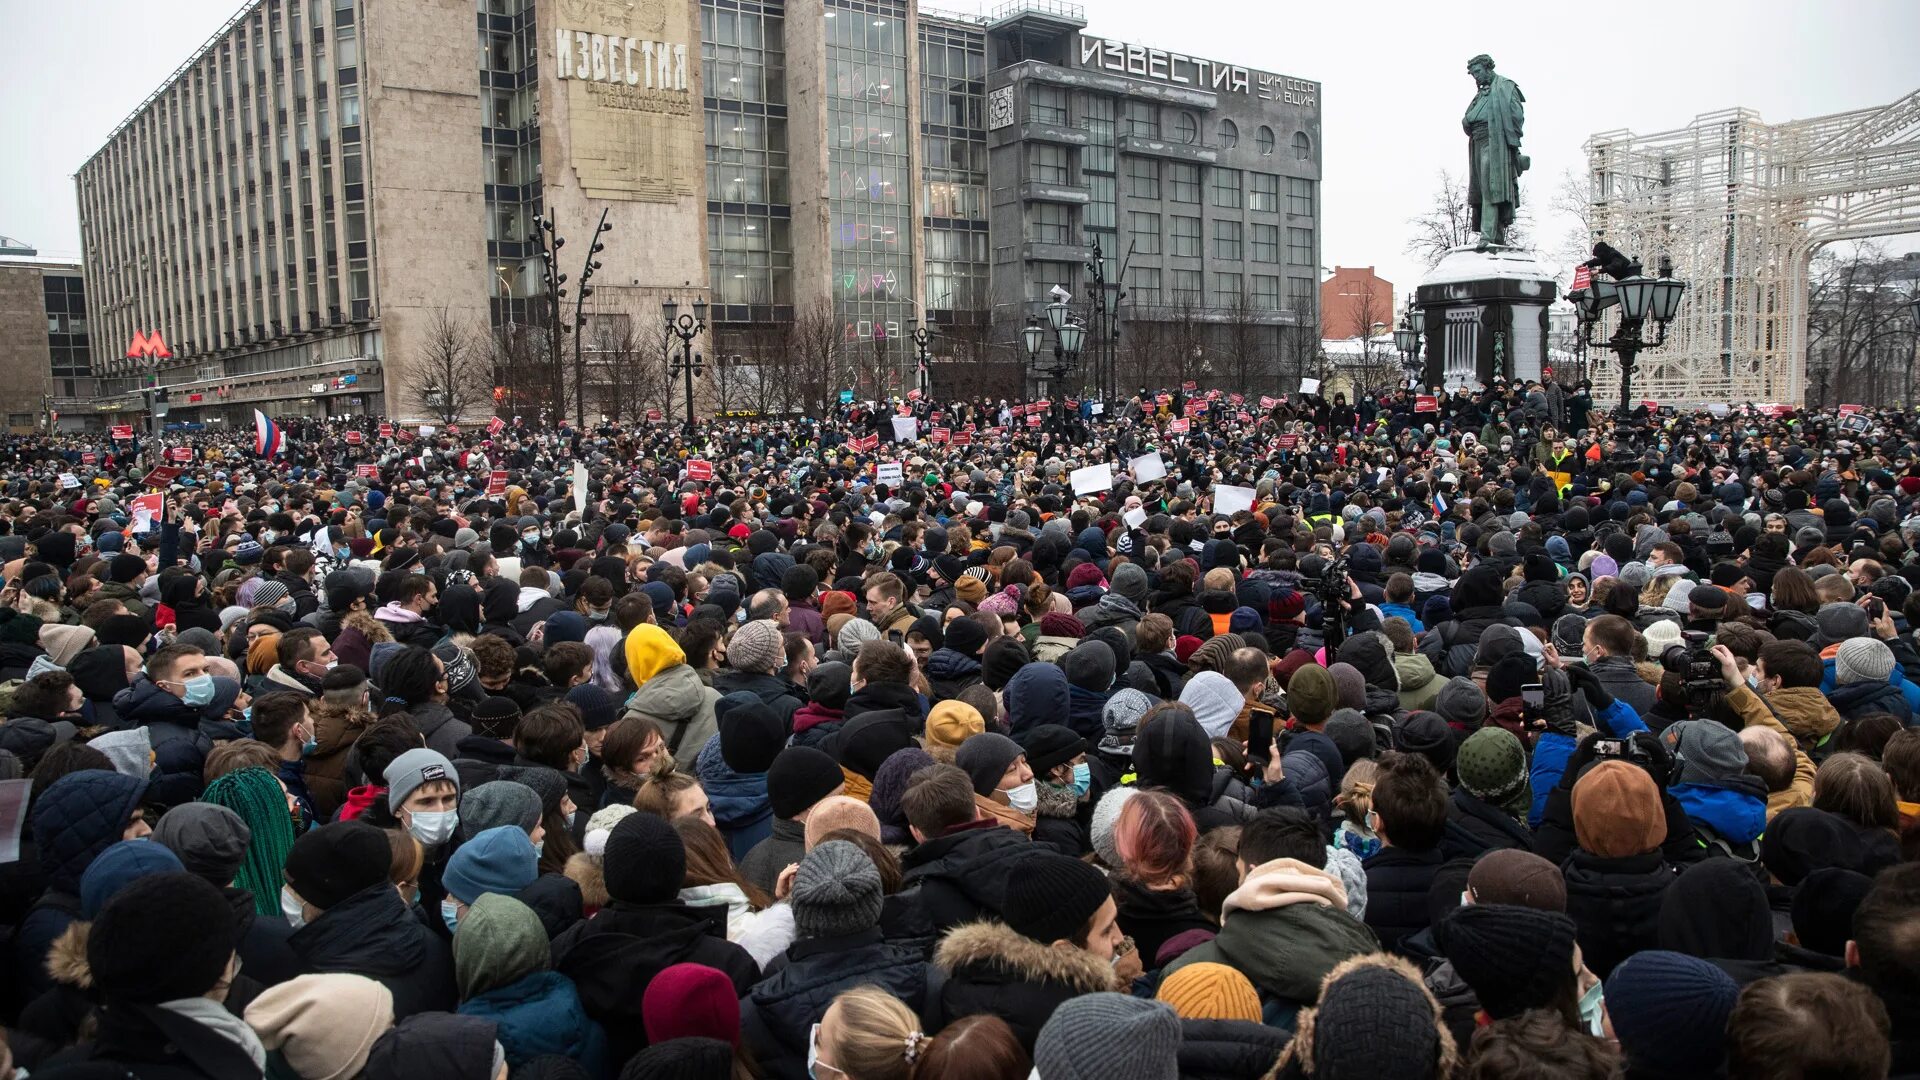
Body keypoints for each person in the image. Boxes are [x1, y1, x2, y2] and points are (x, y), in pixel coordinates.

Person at [281, 820, 457, 1018]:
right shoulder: (434, 944)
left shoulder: (325, 990)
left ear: (320, 899)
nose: (285, 892)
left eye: (291, 887)